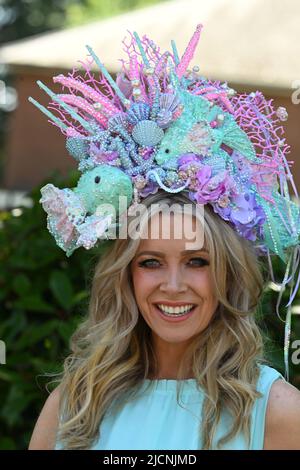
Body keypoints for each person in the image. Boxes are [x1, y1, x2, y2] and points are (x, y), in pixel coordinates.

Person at [28, 25, 300, 450]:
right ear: (125, 276)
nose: (173, 286)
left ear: (228, 274)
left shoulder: (277, 412)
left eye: (197, 262)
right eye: (151, 262)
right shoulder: (75, 405)